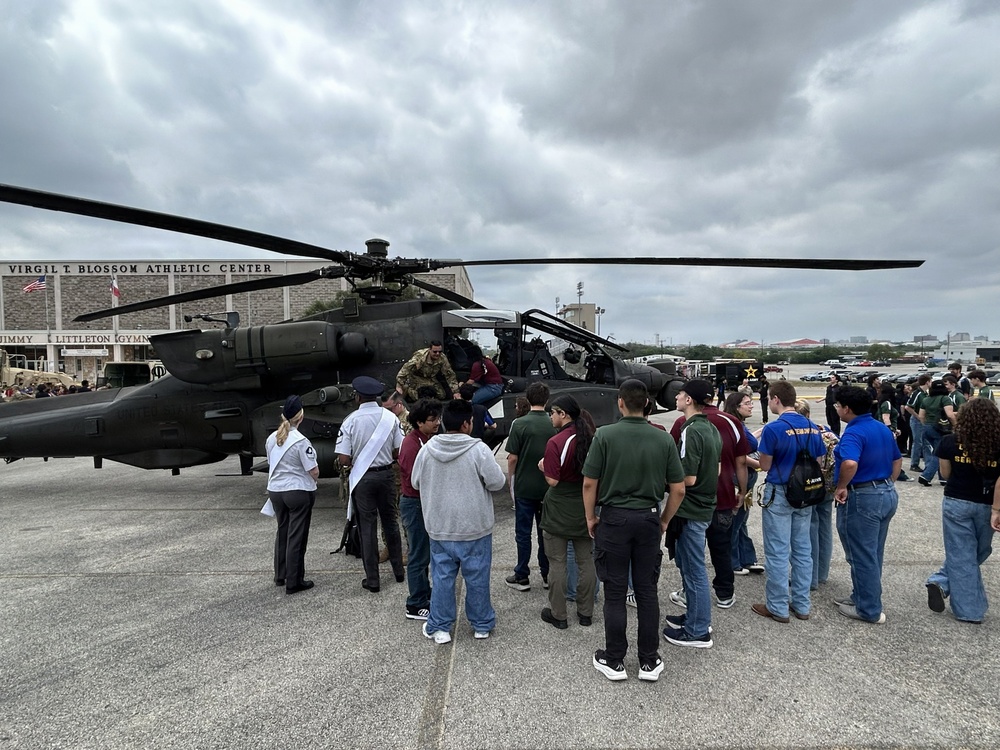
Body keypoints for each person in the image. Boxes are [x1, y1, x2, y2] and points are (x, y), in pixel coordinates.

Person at [583, 379, 685, 681]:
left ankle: (614, 659)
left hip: (613, 519)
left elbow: (590, 482)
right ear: (648, 405)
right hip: (648, 518)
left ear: (620, 403)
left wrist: (590, 517)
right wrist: (664, 520)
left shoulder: (604, 436)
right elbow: (677, 490)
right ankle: (649, 661)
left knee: (615, 592)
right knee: (646, 591)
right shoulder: (663, 439)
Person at [412, 399, 506, 643]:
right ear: (466, 424)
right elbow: (497, 482)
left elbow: (415, 482)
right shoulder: (479, 449)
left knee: (442, 577)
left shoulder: (427, 449)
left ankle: (440, 627)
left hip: (440, 526)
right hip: (474, 526)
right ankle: (481, 624)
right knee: (477, 577)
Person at [669, 380, 750, 610]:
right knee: (721, 548)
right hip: (723, 495)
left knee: (689, 554)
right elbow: (741, 460)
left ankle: (689, 592)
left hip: (693, 500)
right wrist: (742, 491)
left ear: (689, 399)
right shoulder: (731, 421)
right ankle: (725, 593)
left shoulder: (685, 424)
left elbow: (676, 462)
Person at [753, 380, 825, 623]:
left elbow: (765, 465)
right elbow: (820, 458)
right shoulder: (812, 426)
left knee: (777, 550)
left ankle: (778, 606)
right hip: (806, 491)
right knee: (803, 549)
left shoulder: (774, 429)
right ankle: (802, 604)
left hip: (781, 491)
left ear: (775, 399)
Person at [925, 398, 1000, 624]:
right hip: (987, 503)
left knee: (965, 552)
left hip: (957, 500)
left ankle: (941, 580)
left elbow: (945, 475)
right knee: (977, 550)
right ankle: (970, 609)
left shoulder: (949, 441)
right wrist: (996, 509)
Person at [833, 386, 901, 624]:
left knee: (861, 554)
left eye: (837, 405)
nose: (837, 409)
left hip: (863, 496)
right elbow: (897, 459)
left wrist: (841, 486)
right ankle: (861, 595)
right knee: (873, 553)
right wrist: (886, 484)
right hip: (885, 492)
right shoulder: (880, 427)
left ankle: (869, 609)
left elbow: (850, 463)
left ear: (847, 408)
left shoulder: (853, 433)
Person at [662, 379, 721, 649]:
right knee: (689, 567)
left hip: (691, 509)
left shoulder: (691, 430)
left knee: (694, 570)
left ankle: (698, 630)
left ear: (689, 400)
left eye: (681, 394)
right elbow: (716, 471)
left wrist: (662, 478)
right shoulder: (711, 428)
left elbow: (688, 477)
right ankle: (694, 617)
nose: (676, 397)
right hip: (705, 505)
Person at [335, 376, 404, 593]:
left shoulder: (350, 421)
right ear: (376, 396)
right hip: (386, 477)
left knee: (367, 526)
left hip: (363, 479)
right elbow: (398, 451)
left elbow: (344, 459)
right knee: (391, 523)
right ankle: (399, 573)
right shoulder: (391, 418)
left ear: (357, 397)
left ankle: (373, 580)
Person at [539, 394, 596, 630]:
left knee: (558, 563)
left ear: (563, 414)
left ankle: (559, 614)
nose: (550, 416)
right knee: (586, 562)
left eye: (553, 412)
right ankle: (585, 612)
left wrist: (542, 466)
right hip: (584, 506)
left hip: (559, 507)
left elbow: (552, 480)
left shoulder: (556, 442)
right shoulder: (590, 439)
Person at [266, 395, 319, 595]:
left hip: (276, 491)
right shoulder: (301, 441)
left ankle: (281, 575)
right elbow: (313, 470)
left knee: (282, 532)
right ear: (301, 417)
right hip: (297, 490)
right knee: (296, 536)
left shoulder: (272, 438)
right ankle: (294, 580)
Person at [505, 381, 555, 591]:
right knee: (545, 533)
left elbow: (512, 458)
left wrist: (511, 481)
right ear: (547, 399)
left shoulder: (519, 424)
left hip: (525, 487)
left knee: (523, 533)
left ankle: (522, 574)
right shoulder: (554, 423)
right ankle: (547, 574)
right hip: (548, 488)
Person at [397, 398, 442, 622]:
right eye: (432, 420)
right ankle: (415, 603)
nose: (437, 423)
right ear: (419, 422)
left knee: (424, 552)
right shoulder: (412, 444)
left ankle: (423, 592)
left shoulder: (424, 440)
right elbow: (414, 478)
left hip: (421, 502)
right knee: (418, 554)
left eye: (438, 418)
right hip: (415, 503)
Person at [794, 399, 838, 591]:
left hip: (809, 486)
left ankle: (810, 577)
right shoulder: (827, 432)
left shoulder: (802, 435)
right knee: (824, 527)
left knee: (810, 528)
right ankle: (822, 573)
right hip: (828, 486)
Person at [724, 391, 765, 576]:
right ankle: (732, 561)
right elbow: (738, 455)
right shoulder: (732, 425)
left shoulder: (740, 425)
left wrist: (758, 433)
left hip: (746, 477)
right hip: (737, 477)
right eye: (747, 403)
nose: (751, 406)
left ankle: (747, 558)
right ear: (736, 406)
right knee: (735, 521)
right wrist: (761, 465)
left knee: (742, 519)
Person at [395, 341, 460, 401]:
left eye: (440, 352)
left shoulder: (442, 358)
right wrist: (399, 385)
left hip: (430, 379)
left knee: (441, 395)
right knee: (420, 398)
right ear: (429, 350)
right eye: (435, 352)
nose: (437, 354)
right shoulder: (420, 356)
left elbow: (449, 374)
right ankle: (408, 389)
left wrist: (456, 392)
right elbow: (406, 368)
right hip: (417, 378)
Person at [918, 380, 952, 487]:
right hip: (940, 429)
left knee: (935, 451)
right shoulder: (945, 399)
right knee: (939, 454)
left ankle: (943, 479)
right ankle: (926, 476)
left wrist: (926, 425)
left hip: (927, 427)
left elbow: (921, 416)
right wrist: (956, 426)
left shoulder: (926, 399)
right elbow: (950, 415)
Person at [905, 375, 931, 473]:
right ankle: (914, 463)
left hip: (923, 419)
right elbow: (908, 407)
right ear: (927, 382)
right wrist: (918, 416)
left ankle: (928, 462)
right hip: (917, 420)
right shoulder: (918, 393)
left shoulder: (925, 393)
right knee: (918, 442)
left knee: (925, 442)